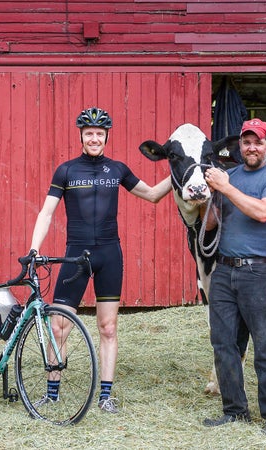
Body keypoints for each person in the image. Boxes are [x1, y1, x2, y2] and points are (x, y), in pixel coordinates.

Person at [29, 107, 171, 413]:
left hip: (109, 255)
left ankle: (106, 396)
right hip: (76, 255)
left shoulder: (117, 169)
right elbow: (47, 212)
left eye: (100, 134)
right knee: (58, 327)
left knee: (108, 327)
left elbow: (153, 194)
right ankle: (52, 393)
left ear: (106, 137)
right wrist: (33, 247)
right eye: (89, 133)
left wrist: (182, 171)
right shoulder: (66, 171)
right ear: (81, 135)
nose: (94, 138)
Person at [201, 118, 266, 437]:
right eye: (246, 141)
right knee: (224, 343)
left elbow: (263, 212)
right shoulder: (231, 175)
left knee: (265, 344)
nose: (251, 147)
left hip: (258, 270)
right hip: (224, 269)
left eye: (258, 142)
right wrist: (210, 195)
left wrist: (225, 187)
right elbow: (210, 225)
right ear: (239, 146)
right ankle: (235, 411)